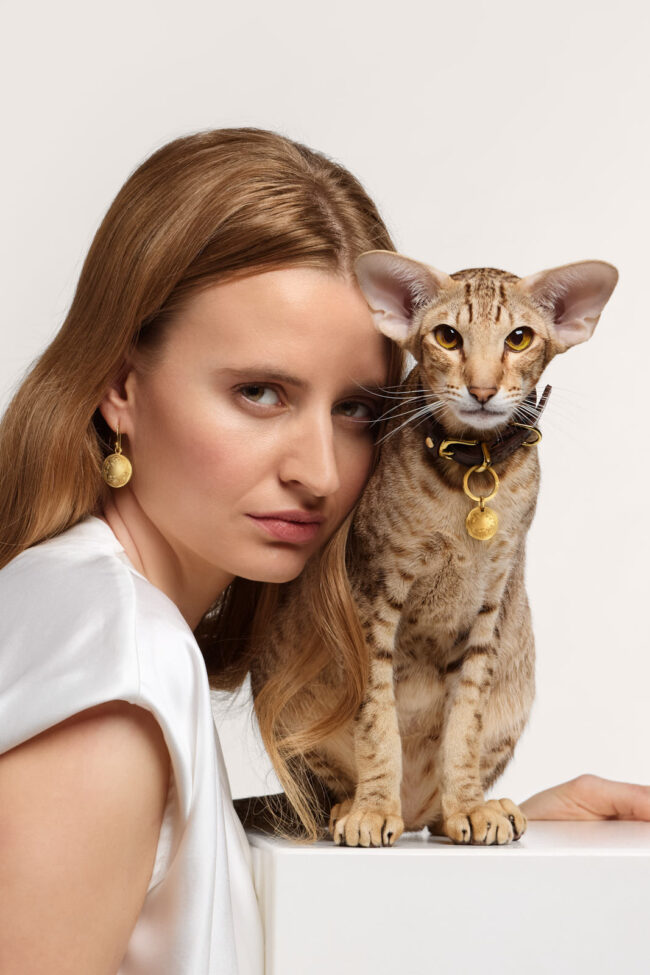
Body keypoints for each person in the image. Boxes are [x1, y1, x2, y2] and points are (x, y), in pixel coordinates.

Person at [0, 128, 647, 974]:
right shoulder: (118, 678)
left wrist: (486, 828)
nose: (317, 471)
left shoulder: (69, 600)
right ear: (121, 387)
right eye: (259, 392)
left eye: (357, 409)